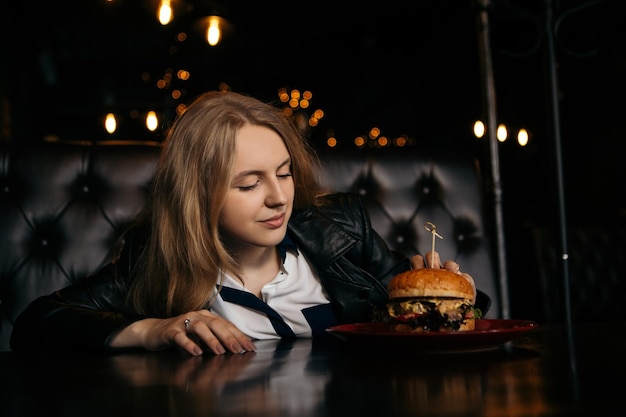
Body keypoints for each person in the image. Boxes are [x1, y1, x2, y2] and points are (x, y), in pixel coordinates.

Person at [10, 90, 490, 356]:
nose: (279, 196)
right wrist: (150, 330)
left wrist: (450, 300)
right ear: (199, 195)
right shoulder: (153, 255)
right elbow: (36, 323)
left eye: (283, 174)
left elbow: (411, 315)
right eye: (249, 184)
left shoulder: (341, 226)